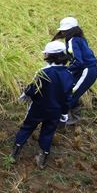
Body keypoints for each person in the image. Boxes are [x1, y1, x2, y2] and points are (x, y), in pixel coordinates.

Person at [11, 40, 74, 169]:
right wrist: (64, 114)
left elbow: (33, 89)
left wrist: (26, 94)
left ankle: (15, 152)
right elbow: (68, 97)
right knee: (48, 132)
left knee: (27, 127)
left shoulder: (44, 72)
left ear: (51, 56)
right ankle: (43, 158)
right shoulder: (69, 74)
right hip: (55, 111)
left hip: (39, 108)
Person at [52, 17, 97, 125]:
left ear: (72, 30)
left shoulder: (73, 40)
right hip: (82, 69)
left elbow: (78, 61)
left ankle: (61, 119)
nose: (62, 31)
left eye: (65, 30)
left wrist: (65, 70)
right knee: (68, 89)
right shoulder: (78, 39)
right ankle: (74, 117)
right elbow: (73, 58)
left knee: (71, 93)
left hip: (86, 71)